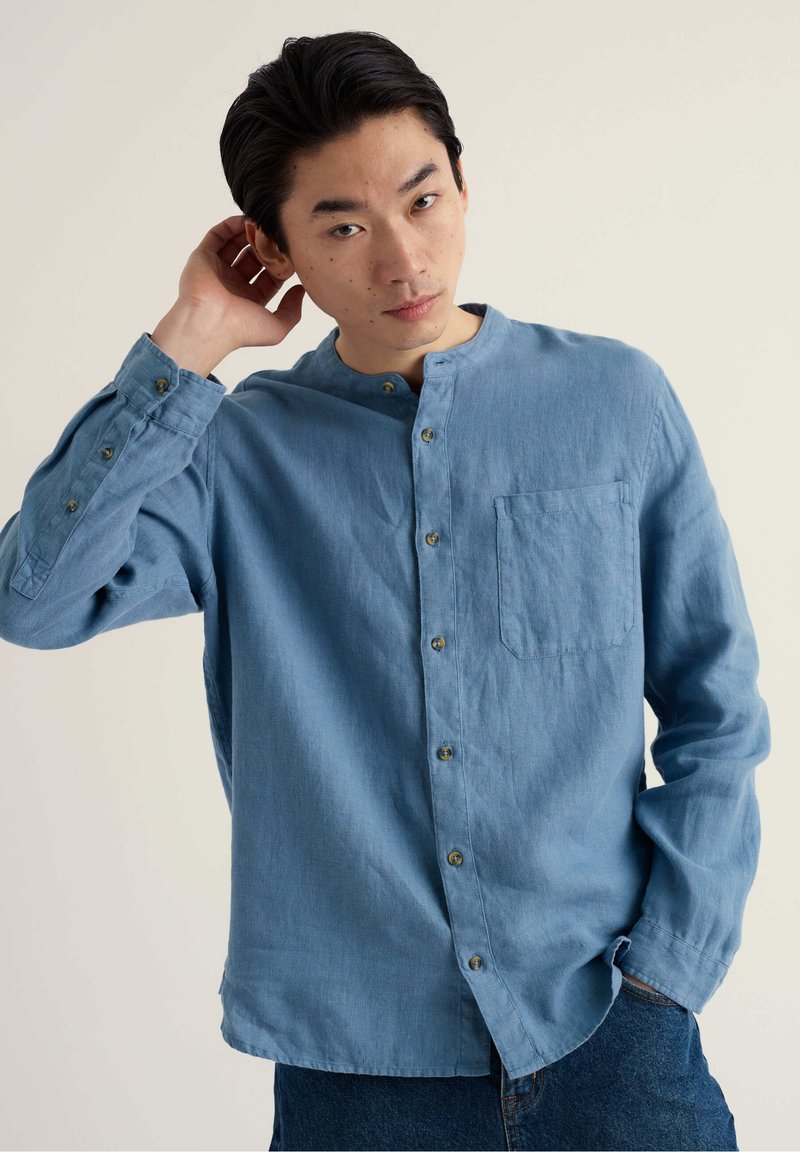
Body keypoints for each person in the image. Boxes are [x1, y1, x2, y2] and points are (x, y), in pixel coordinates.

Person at [0, 29, 769, 1152]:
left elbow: (716, 703)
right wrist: (192, 339)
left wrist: (669, 973)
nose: (403, 260)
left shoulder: (614, 399)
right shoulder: (236, 453)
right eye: (344, 228)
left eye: (423, 199)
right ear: (276, 250)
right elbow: (35, 598)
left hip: (610, 1031)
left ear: (462, 182)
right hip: (357, 1076)